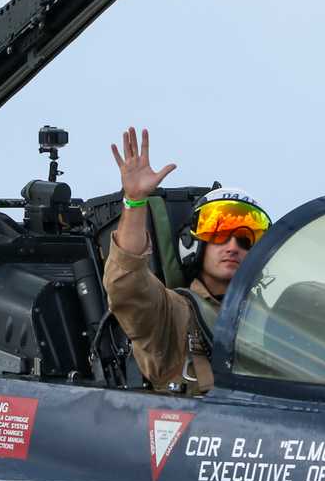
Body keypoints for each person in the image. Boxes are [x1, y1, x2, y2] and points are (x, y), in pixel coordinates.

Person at [101, 126, 270, 394]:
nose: (233, 246)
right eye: (219, 233)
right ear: (191, 243)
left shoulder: (271, 321)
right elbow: (127, 285)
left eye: (245, 239)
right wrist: (134, 202)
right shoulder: (171, 312)